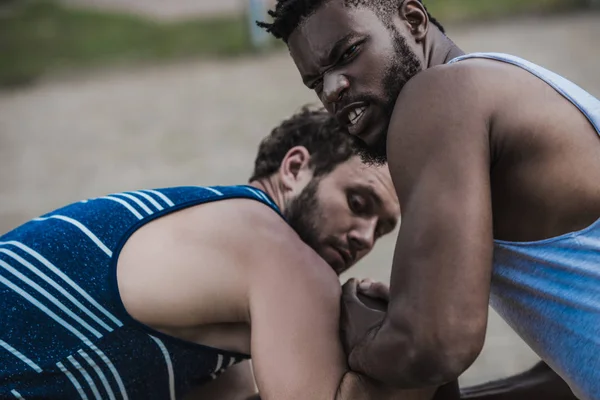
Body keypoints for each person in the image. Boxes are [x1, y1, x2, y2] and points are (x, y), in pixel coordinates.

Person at [258, 0, 600, 399]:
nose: (333, 89)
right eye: (317, 82)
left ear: (413, 20)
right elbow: (563, 374)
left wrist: (367, 342)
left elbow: (434, 344)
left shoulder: (439, 96)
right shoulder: (511, 84)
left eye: (348, 53)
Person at [2, 106, 458, 400]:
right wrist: (424, 338)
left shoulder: (221, 239)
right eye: (358, 203)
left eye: (382, 228)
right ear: (296, 168)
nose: (364, 236)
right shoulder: (273, 248)